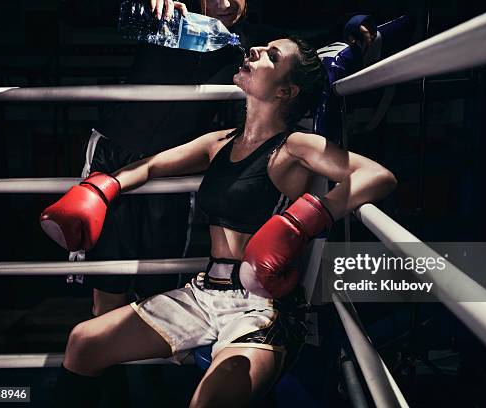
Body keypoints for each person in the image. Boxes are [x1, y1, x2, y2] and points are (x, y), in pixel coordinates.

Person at [44, 36, 396, 407]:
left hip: (263, 305)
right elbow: (151, 166)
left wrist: (301, 221)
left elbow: (377, 175)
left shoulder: (294, 146)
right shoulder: (220, 142)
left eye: (271, 57)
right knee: (84, 342)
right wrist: (104, 187)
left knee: (211, 398)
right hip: (204, 293)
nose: (256, 51)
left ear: (285, 91)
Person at [68, 0, 284, 318]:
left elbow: (308, 52)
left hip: (175, 163)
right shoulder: (164, 17)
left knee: (159, 285)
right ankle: (105, 360)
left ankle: (149, 364)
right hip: (117, 152)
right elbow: (78, 13)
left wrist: (354, 29)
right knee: (109, 284)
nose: (224, 4)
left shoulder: (253, 48)